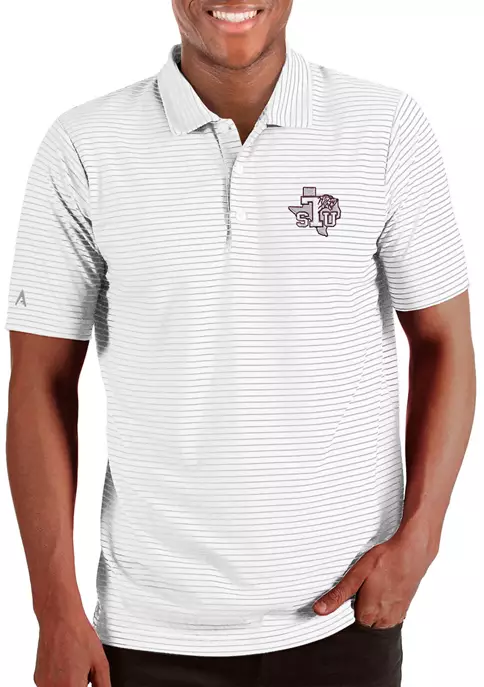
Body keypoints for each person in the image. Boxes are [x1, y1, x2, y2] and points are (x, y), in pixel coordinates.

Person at [5, 1, 476, 686]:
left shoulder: (385, 127)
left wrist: (422, 538)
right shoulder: (83, 146)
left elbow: (444, 340)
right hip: (147, 637)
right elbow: (38, 384)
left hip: (345, 618)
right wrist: (55, 612)